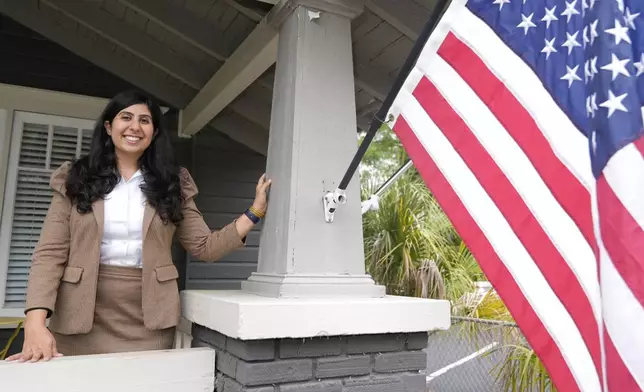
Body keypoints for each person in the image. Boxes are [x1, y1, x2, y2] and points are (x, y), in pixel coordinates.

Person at [6, 90, 271, 362]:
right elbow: (50, 254)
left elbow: (205, 247)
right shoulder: (76, 178)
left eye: (145, 120)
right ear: (109, 127)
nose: (135, 126)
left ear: (154, 132)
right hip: (79, 315)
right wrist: (35, 322)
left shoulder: (172, 183)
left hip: (148, 320)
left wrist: (254, 212)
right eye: (126, 117)